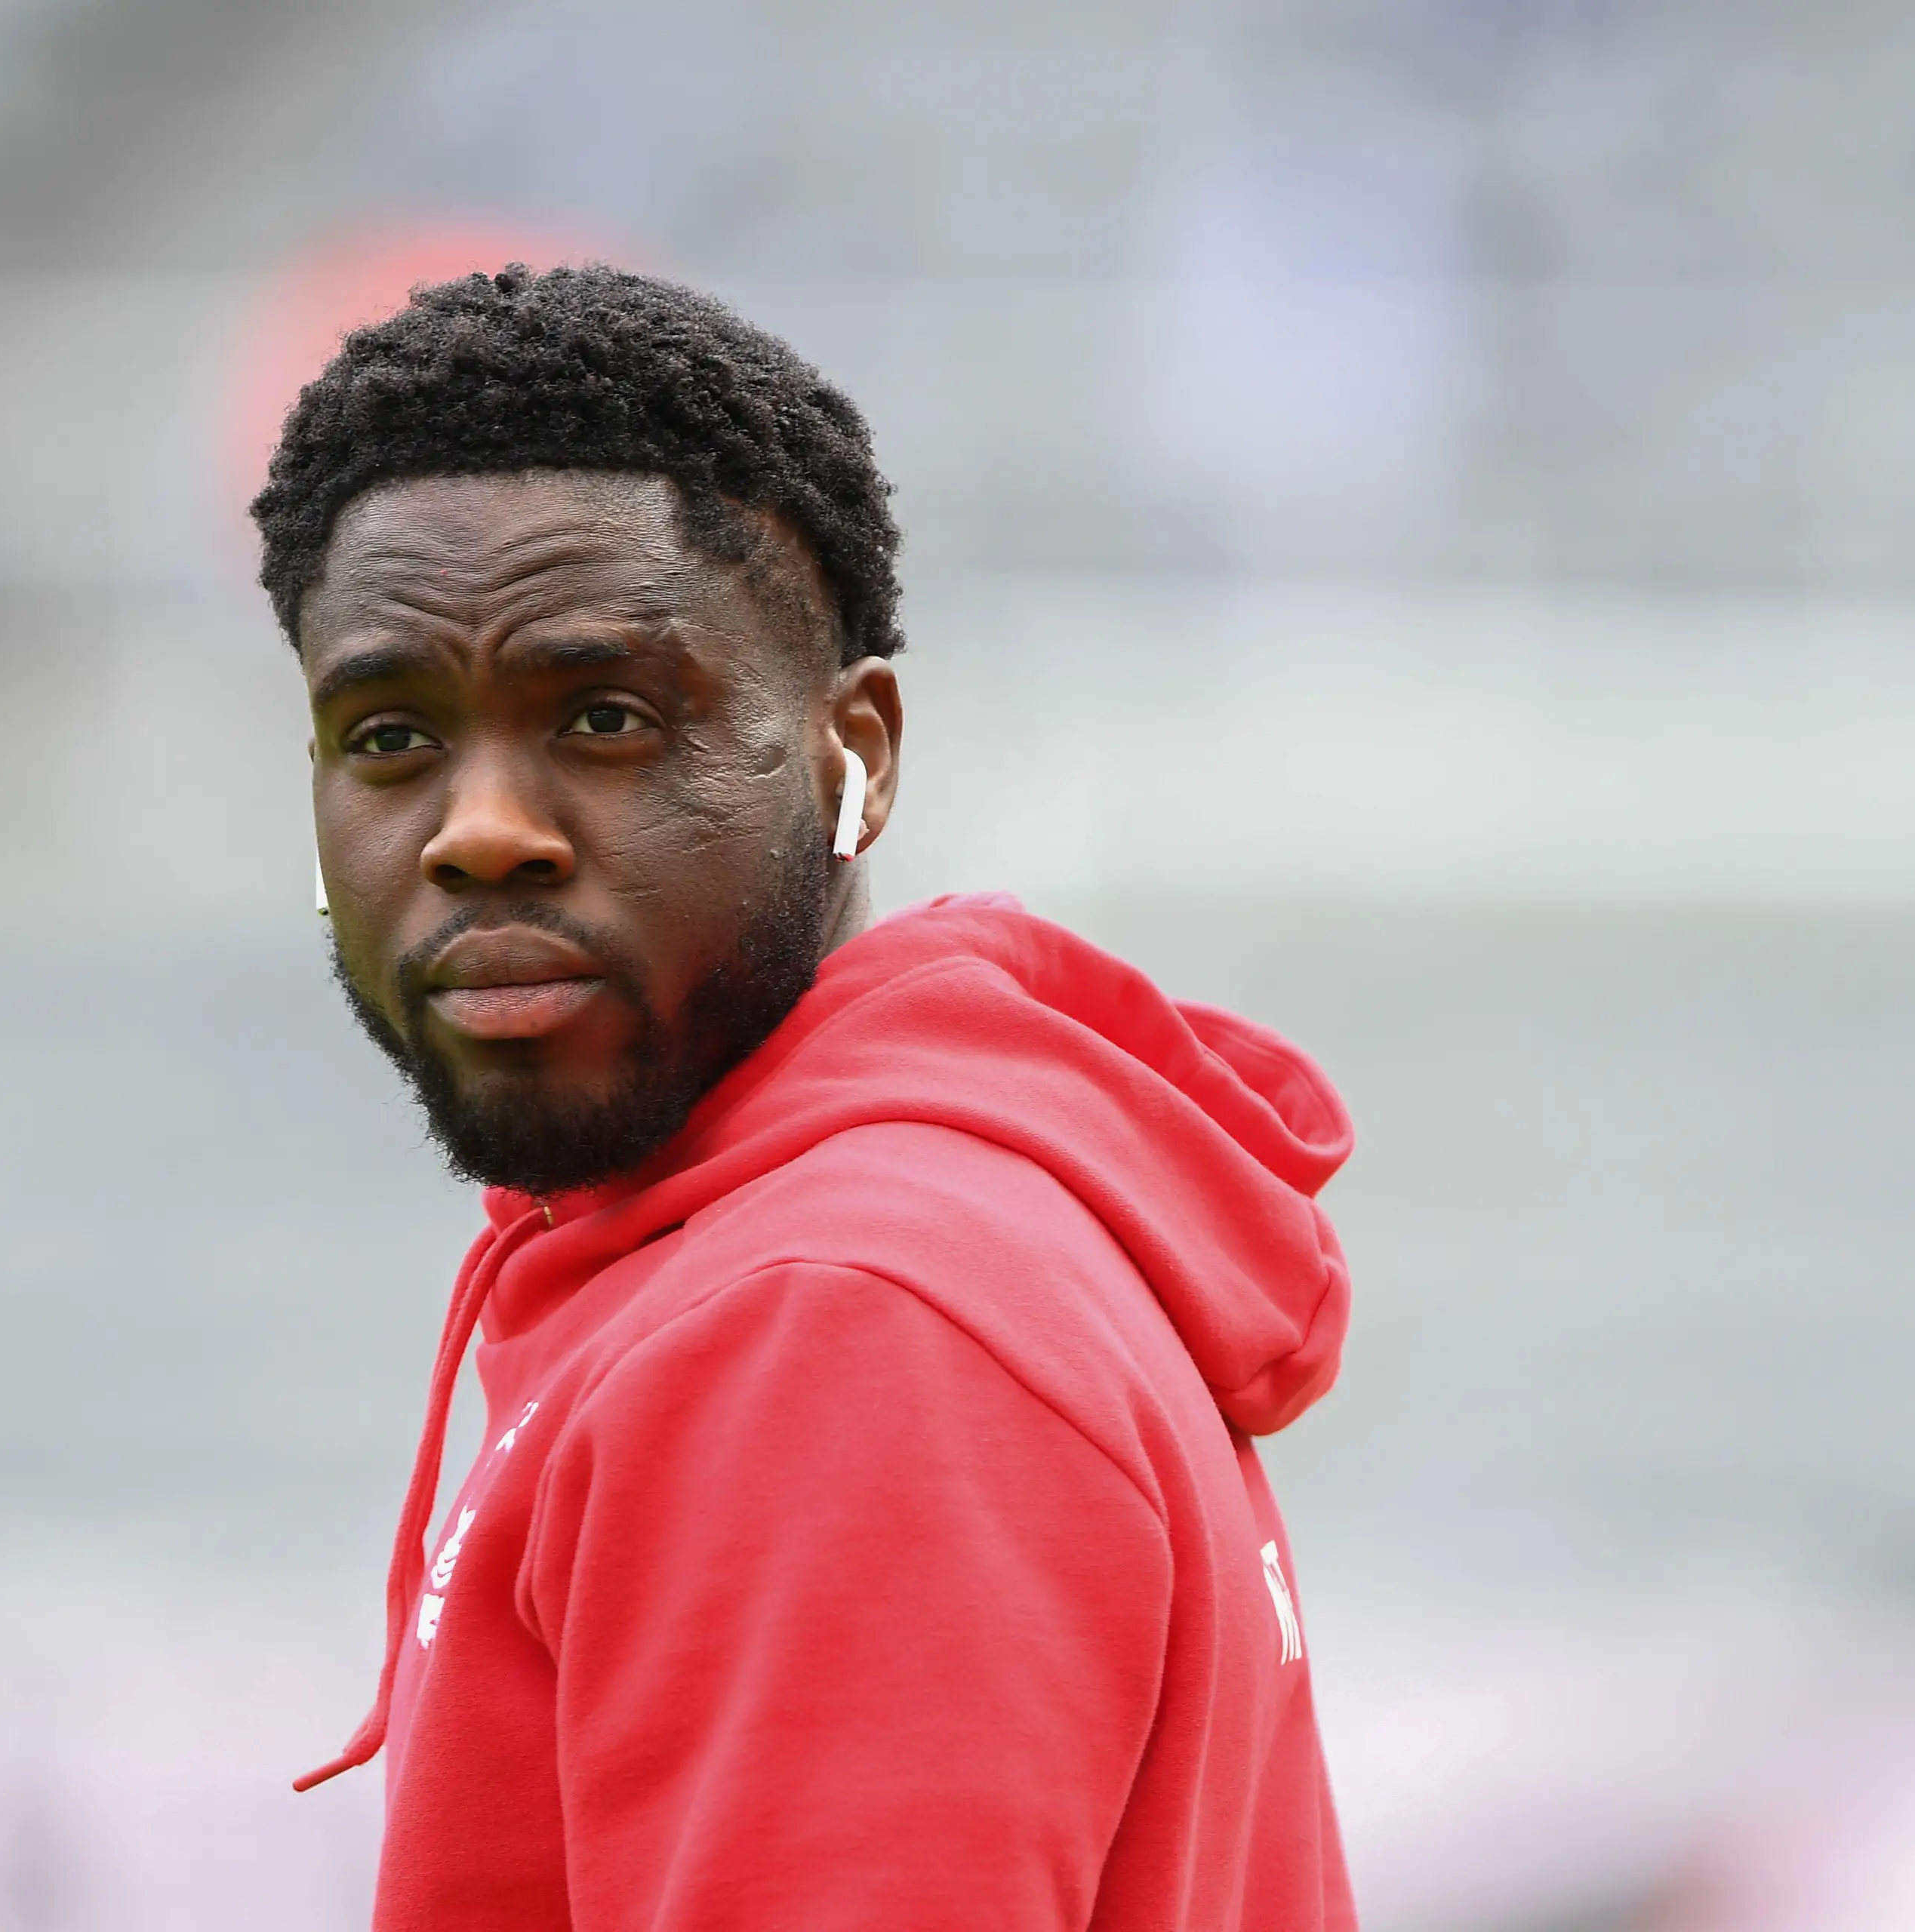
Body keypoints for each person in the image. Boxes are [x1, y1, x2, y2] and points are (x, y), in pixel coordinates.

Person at [256, 263, 1357, 1929]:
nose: (479, 832)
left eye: (606, 717)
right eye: (391, 737)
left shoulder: (834, 1320)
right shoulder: (853, 1246)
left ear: (861, 752)